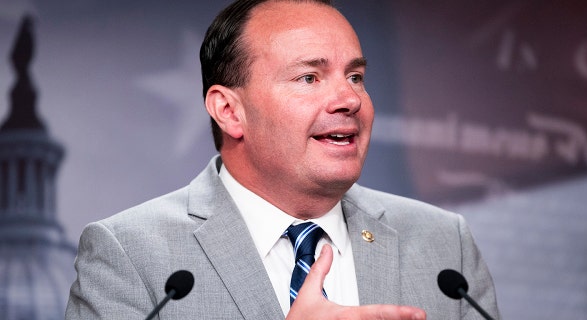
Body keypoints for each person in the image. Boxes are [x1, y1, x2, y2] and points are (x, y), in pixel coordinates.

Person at [66, 0, 500, 319]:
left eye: (355, 76)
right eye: (309, 77)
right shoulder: (131, 255)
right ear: (229, 111)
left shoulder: (445, 246)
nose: (349, 98)